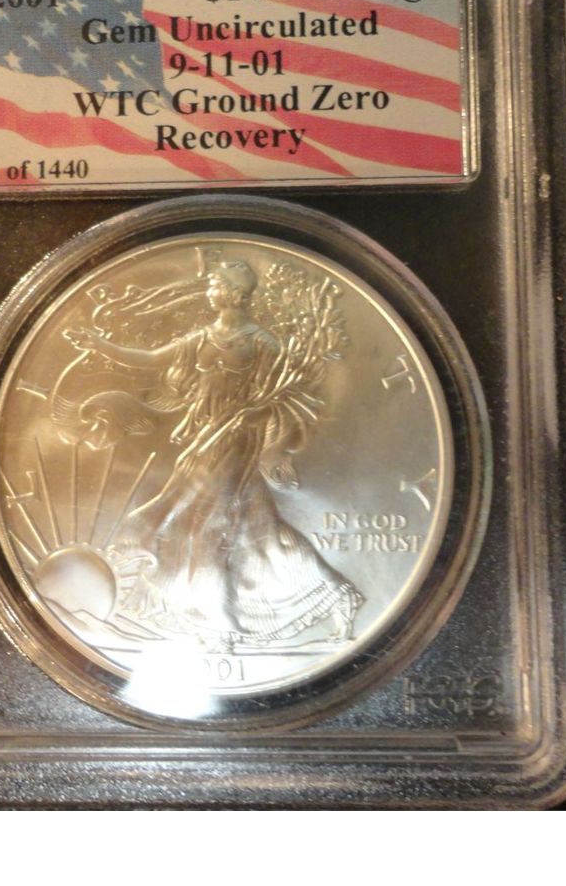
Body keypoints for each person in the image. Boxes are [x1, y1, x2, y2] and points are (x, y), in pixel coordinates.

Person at [63, 260, 363, 647]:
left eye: (217, 284)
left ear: (236, 294)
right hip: (204, 436)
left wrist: (255, 415)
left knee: (206, 520)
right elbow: (151, 360)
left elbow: (285, 401)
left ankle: (215, 621)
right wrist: (99, 345)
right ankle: (332, 595)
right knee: (257, 528)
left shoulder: (262, 344)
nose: (210, 289)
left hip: (237, 441)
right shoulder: (202, 338)